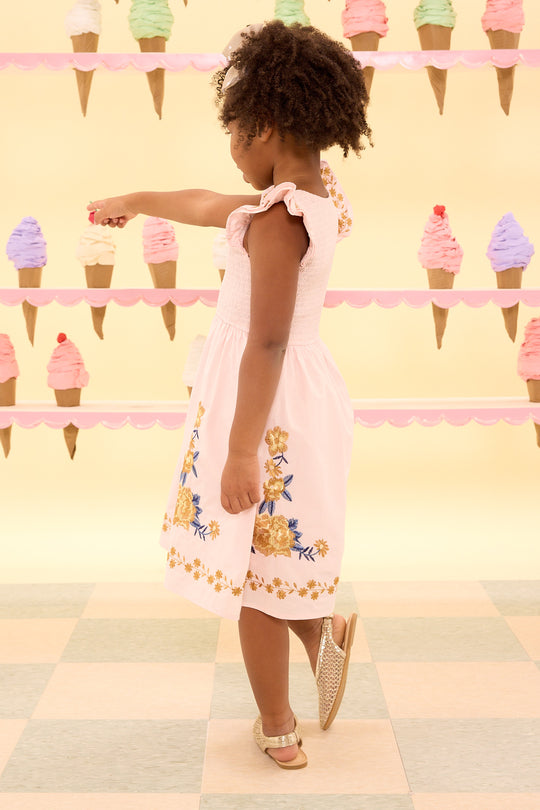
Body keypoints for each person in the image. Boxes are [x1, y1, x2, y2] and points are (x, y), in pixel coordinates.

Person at [89, 20, 371, 769]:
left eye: (235, 132)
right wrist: (138, 198)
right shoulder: (308, 193)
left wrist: (242, 448)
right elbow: (206, 201)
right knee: (275, 552)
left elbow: (268, 339)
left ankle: (276, 720)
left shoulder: (276, 221)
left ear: (267, 125)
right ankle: (319, 632)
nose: (231, 151)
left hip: (264, 406)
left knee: (249, 567)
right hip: (296, 398)